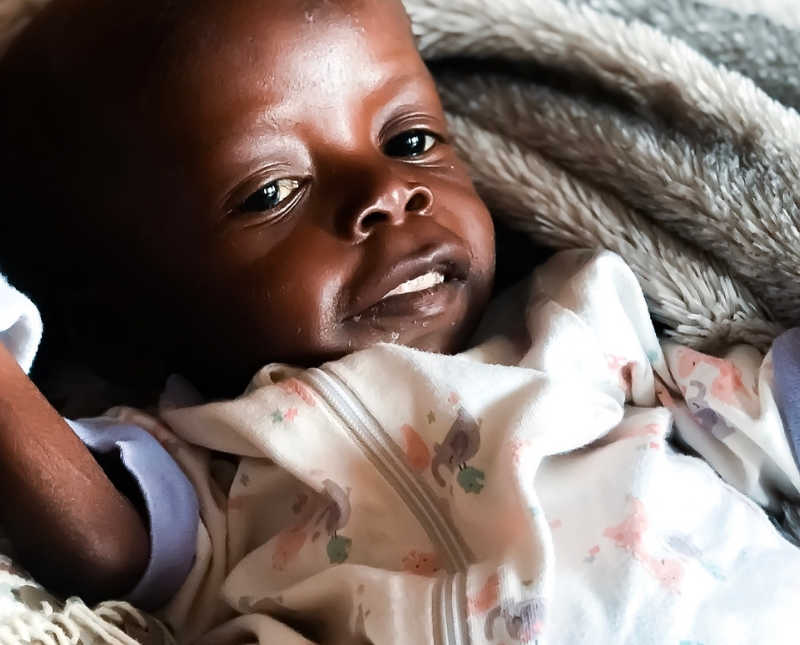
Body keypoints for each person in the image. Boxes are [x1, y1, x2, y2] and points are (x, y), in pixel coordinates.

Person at [0, 0, 798, 642]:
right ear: (124, 322)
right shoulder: (213, 463)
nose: (387, 193)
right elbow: (102, 548)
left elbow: (766, 416)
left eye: (411, 140)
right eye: (272, 191)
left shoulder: (581, 321)